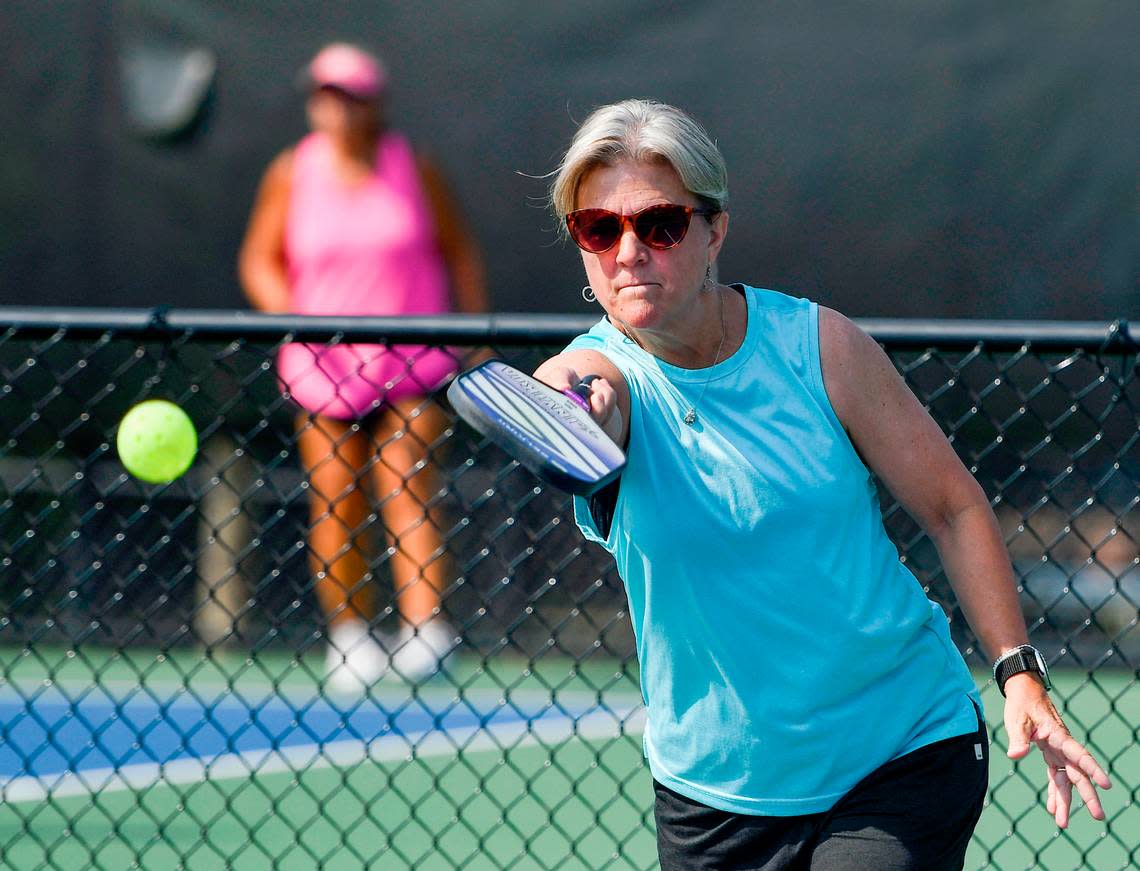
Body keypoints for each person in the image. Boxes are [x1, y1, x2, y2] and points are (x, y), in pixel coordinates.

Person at [533, 99, 1111, 870]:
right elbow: (575, 391)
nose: (628, 251)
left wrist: (1017, 670)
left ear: (715, 230)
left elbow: (954, 505)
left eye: (659, 224)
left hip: (900, 746)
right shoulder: (602, 376)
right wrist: (570, 406)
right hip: (715, 793)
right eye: (598, 229)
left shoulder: (820, 347)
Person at [239, 43, 486, 690]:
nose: (337, 107)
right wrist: (293, 314)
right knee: (336, 499)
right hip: (323, 370)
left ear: (374, 105)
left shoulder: (415, 167)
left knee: (407, 487)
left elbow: (459, 252)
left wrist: (476, 336)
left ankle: (427, 632)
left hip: (413, 361)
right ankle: (350, 638)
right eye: (325, 94)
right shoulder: (289, 173)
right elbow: (260, 260)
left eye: (349, 95)